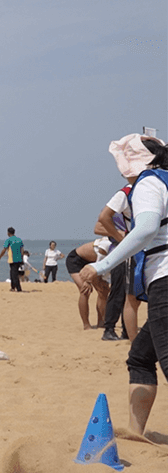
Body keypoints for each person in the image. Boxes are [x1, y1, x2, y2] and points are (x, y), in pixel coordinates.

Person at [79, 134, 168, 441]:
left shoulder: (147, 183)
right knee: (141, 356)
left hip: (166, 278)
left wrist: (101, 265)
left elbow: (145, 228)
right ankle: (136, 434)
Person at [96, 171, 139, 341]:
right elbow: (99, 225)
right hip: (120, 253)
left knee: (132, 293)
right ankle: (109, 328)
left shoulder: (143, 194)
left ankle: (126, 330)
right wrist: (120, 235)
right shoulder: (124, 195)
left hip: (135, 251)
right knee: (119, 291)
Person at [66, 239, 113, 330]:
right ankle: (86, 325)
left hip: (93, 263)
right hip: (77, 261)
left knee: (104, 290)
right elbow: (100, 262)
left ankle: (101, 322)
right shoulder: (107, 243)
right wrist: (88, 280)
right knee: (85, 290)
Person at [0, 227, 25, 292]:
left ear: (8, 233)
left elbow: (4, 249)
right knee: (13, 273)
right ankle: (13, 287)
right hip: (19, 259)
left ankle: (18, 288)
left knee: (14, 274)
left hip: (12, 259)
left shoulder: (9, 240)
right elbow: (22, 250)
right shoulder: (19, 240)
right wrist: (22, 258)